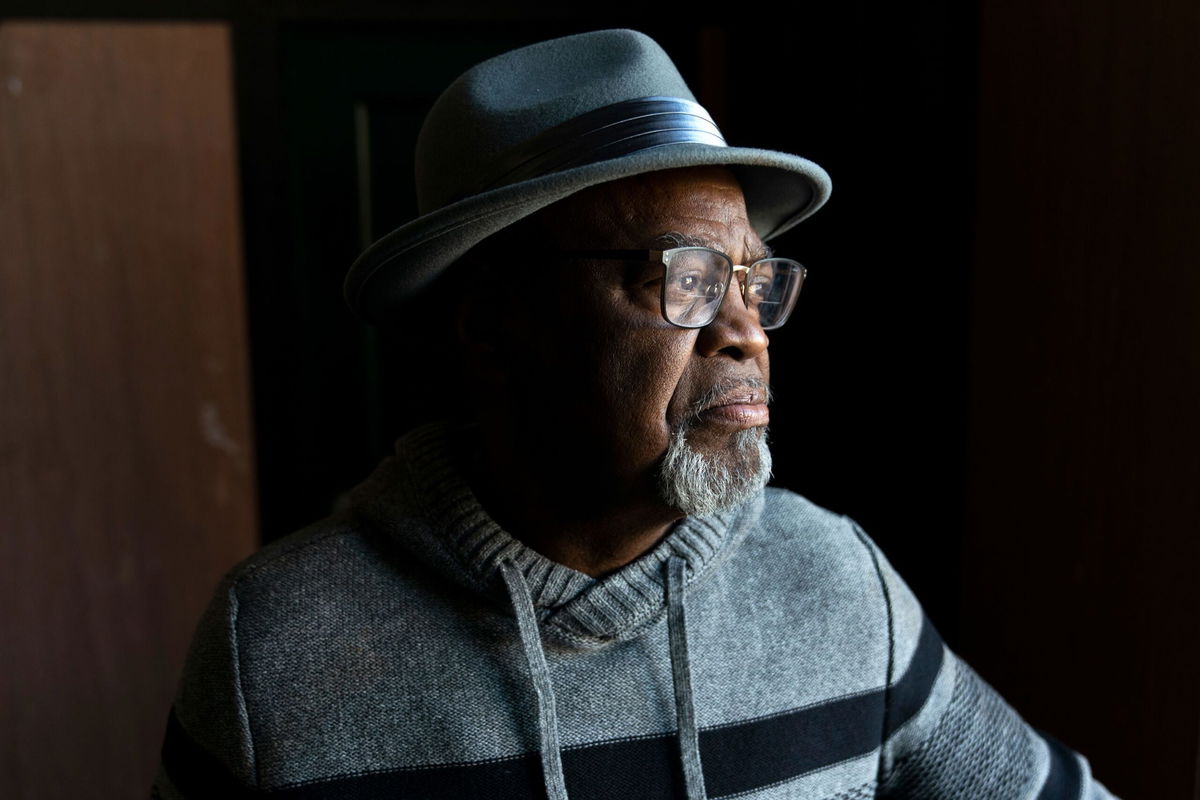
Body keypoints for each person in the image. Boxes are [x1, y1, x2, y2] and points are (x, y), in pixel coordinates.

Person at [153, 29, 1115, 800]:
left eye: (751, 277)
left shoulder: (835, 583)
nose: (748, 332)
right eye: (684, 277)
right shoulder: (274, 651)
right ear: (492, 322)